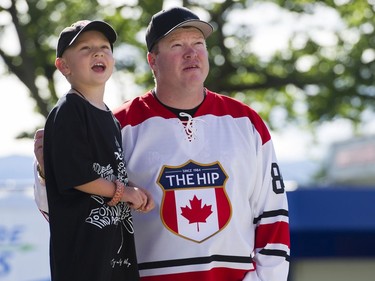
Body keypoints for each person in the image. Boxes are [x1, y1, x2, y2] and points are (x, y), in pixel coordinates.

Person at [34, 7, 290, 281]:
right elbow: (77, 213)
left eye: (198, 44)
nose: (191, 53)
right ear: (152, 60)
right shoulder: (118, 125)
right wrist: (47, 173)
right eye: (177, 45)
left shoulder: (246, 122)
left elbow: (272, 212)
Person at [39, 19, 154, 281]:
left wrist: (134, 192)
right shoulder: (69, 110)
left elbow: (110, 172)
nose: (98, 52)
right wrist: (126, 193)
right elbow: (78, 176)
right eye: (85, 48)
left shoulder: (110, 118)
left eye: (104, 47)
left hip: (113, 253)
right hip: (83, 257)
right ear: (63, 66)